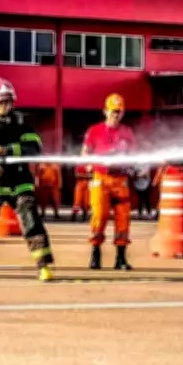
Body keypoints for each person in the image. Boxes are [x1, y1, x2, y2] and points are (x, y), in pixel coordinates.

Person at [0, 77, 55, 282]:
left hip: (18, 180)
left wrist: (9, 150)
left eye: (8, 101)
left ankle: (43, 266)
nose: (6, 106)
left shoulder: (22, 123)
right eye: (1, 102)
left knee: (31, 220)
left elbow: (34, 149)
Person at [81, 93, 137, 270]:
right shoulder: (94, 131)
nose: (116, 115)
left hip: (121, 179)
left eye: (119, 112)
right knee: (100, 215)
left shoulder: (127, 133)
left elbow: (133, 155)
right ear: (105, 111)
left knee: (123, 217)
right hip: (101, 178)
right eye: (113, 111)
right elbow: (85, 153)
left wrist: (133, 166)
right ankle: (95, 255)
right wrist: (89, 165)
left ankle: (120, 258)